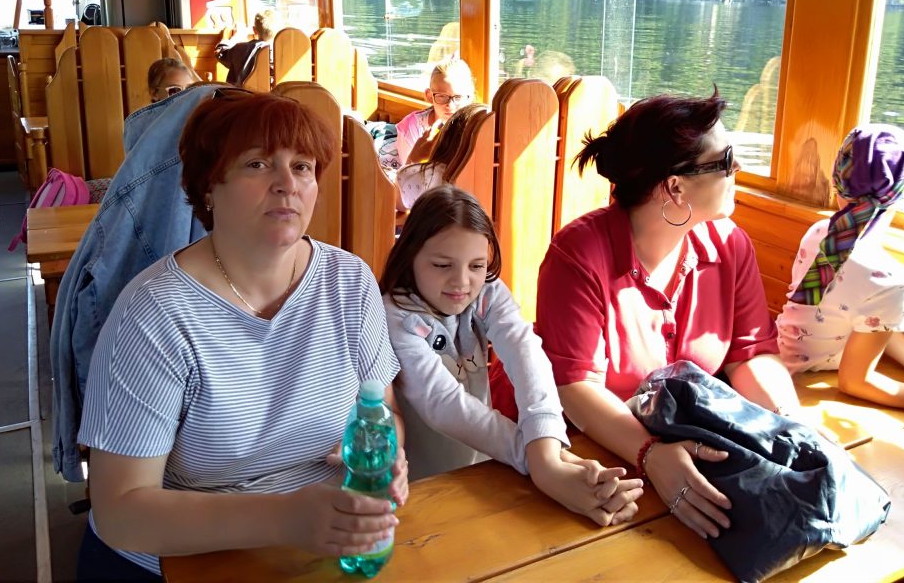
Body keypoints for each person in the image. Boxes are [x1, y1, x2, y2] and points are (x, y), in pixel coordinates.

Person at [76, 91, 408, 580]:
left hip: (326, 544)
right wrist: (284, 519)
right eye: (257, 164)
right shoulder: (155, 314)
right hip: (178, 563)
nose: (287, 184)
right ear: (209, 186)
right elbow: (120, 512)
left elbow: (385, 411)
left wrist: (388, 455)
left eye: (302, 167)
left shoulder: (349, 282)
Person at [494, 91, 800, 541]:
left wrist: (790, 427)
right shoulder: (579, 254)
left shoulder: (729, 244)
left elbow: (749, 354)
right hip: (561, 446)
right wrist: (651, 455)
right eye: (725, 160)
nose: (737, 168)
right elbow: (575, 387)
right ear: (675, 187)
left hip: (674, 442)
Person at [381, 184, 643, 527]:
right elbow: (444, 404)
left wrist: (545, 448)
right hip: (419, 490)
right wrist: (542, 461)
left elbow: (526, 354)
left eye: (477, 265)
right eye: (442, 265)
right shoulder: (395, 316)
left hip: (487, 470)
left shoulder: (486, 292)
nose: (462, 282)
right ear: (410, 255)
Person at [777, 124, 904, 411]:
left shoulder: (820, 233)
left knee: (872, 316)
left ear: (836, 179)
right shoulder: (896, 282)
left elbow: (869, 320)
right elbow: (855, 383)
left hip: (776, 353)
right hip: (798, 381)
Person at [394, 104, 486, 210]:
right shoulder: (497, 180)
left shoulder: (428, 176)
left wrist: (413, 158)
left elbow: (398, 203)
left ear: (445, 137)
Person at [395, 58, 476, 165]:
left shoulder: (475, 128)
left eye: (458, 97)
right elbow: (406, 173)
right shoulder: (412, 126)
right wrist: (416, 156)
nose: (450, 105)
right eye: (442, 96)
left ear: (469, 97)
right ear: (429, 96)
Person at [215, 9, 277, 86]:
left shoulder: (241, 49)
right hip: (270, 93)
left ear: (254, 30)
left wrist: (235, 37)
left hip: (242, 93)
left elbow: (220, 53)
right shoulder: (281, 52)